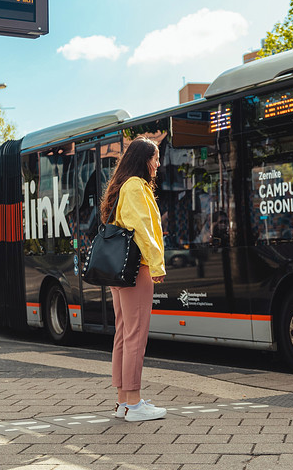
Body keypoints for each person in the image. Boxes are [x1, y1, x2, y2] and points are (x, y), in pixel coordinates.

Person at [100, 136, 167, 422]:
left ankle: (123, 402)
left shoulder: (121, 187)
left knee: (123, 335)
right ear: (144, 160)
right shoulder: (136, 187)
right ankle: (135, 403)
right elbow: (142, 228)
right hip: (135, 269)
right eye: (155, 158)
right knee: (136, 335)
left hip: (119, 271)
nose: (158, 163)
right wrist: (156, 264)